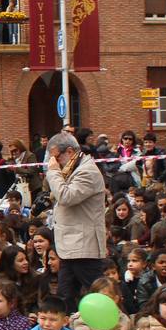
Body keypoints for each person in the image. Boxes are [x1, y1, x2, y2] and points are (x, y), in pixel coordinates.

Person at [44, 133, 107, 312]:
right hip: (70, 247)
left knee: (97, 296)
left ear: (70, 151)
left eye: (56, 157)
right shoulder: (72, 168)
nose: (54, 162)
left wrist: (53, 172)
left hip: (84, 247)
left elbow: (66, 196)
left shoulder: (87, 171)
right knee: (65, 297)